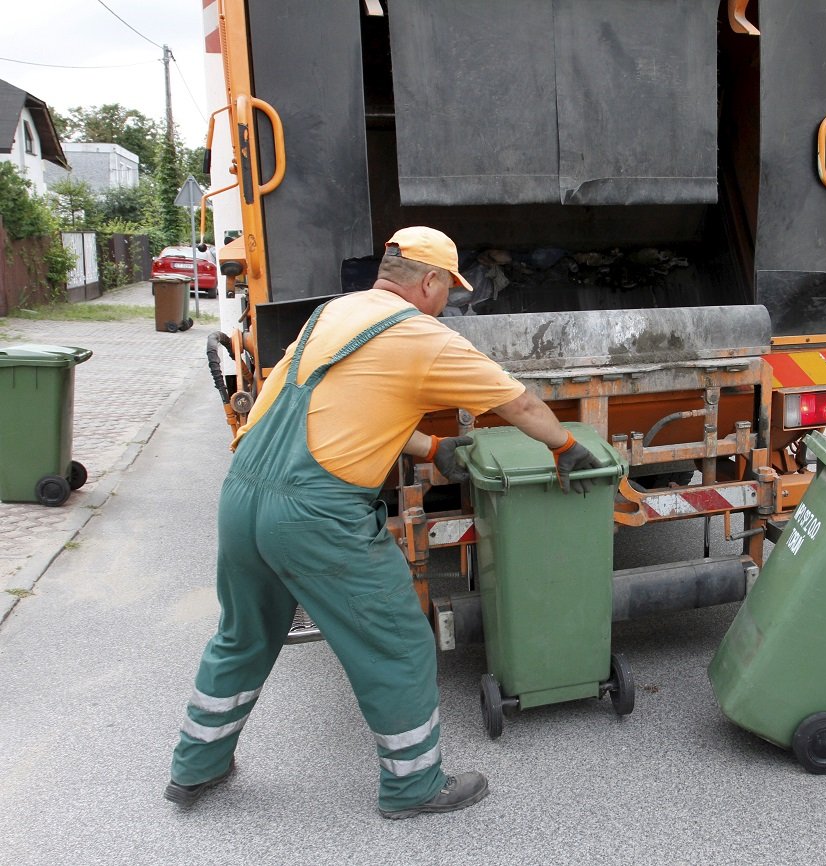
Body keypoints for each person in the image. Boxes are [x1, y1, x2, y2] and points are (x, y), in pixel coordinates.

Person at [165, 226, 601, 818]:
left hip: (242, 496)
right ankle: (414, 786)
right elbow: (518, 404)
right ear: (430, 282)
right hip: (316, 515)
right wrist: (565, 445)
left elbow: (335, 406)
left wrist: (431, 450)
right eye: (450, 289)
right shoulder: (424, 336)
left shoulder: (330, 316)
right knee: (398, 643)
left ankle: (196, 767)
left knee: (243, 635)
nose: (449, 302)